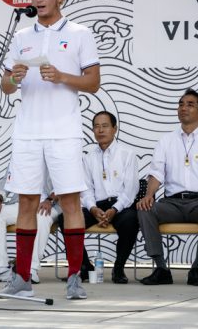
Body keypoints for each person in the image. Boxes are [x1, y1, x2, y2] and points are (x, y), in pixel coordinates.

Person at [0, 0, 100, 300]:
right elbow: (4, 88)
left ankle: (74, 277)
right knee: (26, 201)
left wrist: (61, 76)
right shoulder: (20, 36)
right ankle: (23, 277)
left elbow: (93, 82)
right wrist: (14, 77)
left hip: (64, 131)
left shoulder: (80, 33)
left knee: (70, 201)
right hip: (27, 131)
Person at [136, 89, 198, 286]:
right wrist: (149, 194)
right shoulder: (166, 140)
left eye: (190, 104)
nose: (183, 108)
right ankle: (161, 268)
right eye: (181, 104)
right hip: (172, 203)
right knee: (145, 208)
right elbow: (156, 172)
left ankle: (196, 268)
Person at [58, 111, 139, 284]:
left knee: (131, 219)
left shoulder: (127, 153)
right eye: (96, 126)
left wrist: (114, 209)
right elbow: (86, 190)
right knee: (64, 218)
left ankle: (118, 268)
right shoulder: (88, 158)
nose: (100, 130)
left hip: (121, 205)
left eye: (105, 126)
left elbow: (131, 189)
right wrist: (93, 209)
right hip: (96, 206)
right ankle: (85, 266)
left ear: (114, 129)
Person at [0, 169, 60, 284]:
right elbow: (7, 179)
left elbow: (63, 184)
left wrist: (49, 200)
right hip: (23, 204)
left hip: (49, 204)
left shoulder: (54, 153)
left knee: (42, 216)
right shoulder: (20, 153)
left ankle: (31, 268)